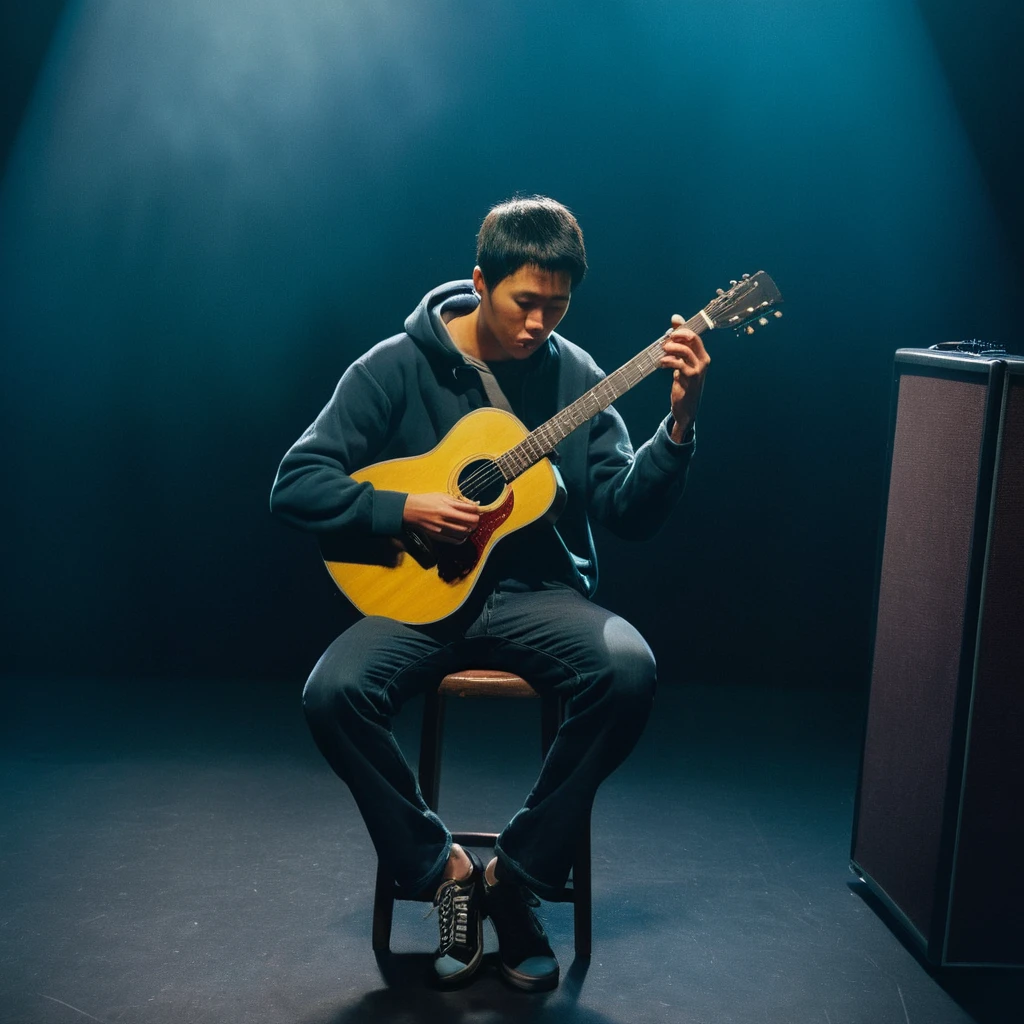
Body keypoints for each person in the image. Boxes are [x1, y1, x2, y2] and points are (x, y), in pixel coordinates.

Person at [270, 195, 710, 991]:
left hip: (538, 597)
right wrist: (401, 508)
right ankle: (446, 874)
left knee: (629, 669)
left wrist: (676, 429)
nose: (541, 323)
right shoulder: (395, 365)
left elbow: (624, 510)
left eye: (559, 305)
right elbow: (295, 483)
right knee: (333, 692)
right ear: (481, 282)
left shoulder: (579, 379)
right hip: (420, 601)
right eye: (525, 303)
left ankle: (514, 882)